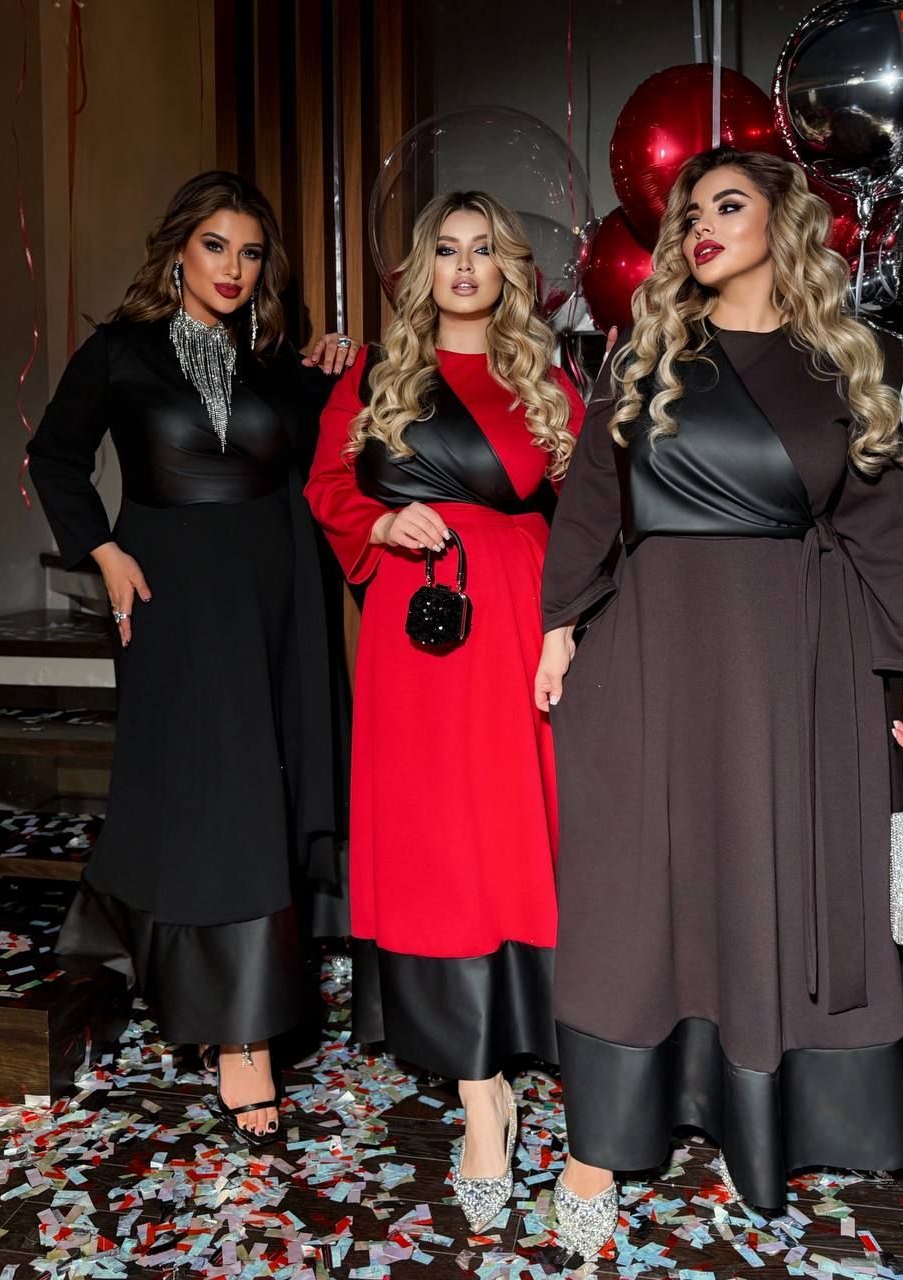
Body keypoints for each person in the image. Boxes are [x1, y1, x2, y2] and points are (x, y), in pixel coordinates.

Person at [535, 146, 903, 1255]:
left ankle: (757, 1114)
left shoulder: (838, 364)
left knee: (771, 872)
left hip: (789, 660)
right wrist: (558, 622)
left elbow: (883, 525)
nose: (701, 227)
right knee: (637, 890)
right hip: (653, 654)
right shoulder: (646, 355)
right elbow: (590, 500)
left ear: (781, 224)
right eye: (690, 214)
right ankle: (601, 1136)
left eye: (728, 205)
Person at [28, 170, 358, 1146]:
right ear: (178, 248)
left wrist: (344, 367)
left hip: (273, 598)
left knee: (256, 795)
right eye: (216, 245)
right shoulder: (120, 351)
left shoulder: (277, 364)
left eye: (250, 252)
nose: (232, 268)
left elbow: (345, 450)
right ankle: (229, 1024)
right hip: (168, 597)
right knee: (203, 798)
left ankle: (243, 1024)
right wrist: (102, 551)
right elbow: (55, 457)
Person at [305, 190, 585, 1232]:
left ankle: (528, 1036)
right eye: (446, 250)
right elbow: (325, 486)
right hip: (412, 632)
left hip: (517, 614)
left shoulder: (545, 377)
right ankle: (479, 1097)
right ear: (422, 268)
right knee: (431, 835)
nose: (464, 267)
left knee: (510, 823)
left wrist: (570, 623)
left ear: (507, 268)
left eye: (483, 250)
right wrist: (382, 523)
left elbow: (593, 510)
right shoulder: (377, 374)